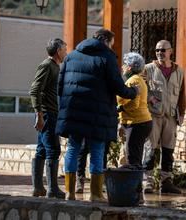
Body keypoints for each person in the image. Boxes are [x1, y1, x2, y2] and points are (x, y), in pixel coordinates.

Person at [56, 28, 139, 201]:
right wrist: (133, 92)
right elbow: (117, 85)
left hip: (72, 110)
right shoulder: (106, 57)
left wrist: (65, 105)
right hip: (97, 112)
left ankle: (69, 192)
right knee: (97, 149)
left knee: (73, 147)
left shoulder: (71, 56)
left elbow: (60, 85)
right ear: (106, 41)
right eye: (111, 43)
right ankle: (95, 193)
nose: (111, 47)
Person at [142, 40, 184, 194]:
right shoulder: (148, 69)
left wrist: (182, 114)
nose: (159, 53)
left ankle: (166, 181)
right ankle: (148, 181)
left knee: (168, 150)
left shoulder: (179, 71)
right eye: (157, 50)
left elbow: (182, 95)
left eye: (163, 50)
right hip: (153, 115)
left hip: (171, 116)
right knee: (150, 149)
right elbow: (139, 88)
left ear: (170, 51)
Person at [29, 38, 67, 199]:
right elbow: (34, 90)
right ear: (58, 51)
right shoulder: (47, 65)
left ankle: (38, 188)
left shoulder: (55, 67)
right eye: (65, 49)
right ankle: (52, 189)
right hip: (47, 114)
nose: (66, 52)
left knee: (42, 150)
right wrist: (39, 114)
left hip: (51, 114)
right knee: (53, 150)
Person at [117, 52, 153, 169]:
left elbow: (134, 104)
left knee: (133, 158)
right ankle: (135, 185)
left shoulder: (133, 80)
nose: (122, 67)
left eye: (124, 64)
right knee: (135, 156)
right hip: (141, 122)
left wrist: (120, 108)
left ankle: (134, 186)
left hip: (137, 122)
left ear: (130, 67)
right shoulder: (138, 79)